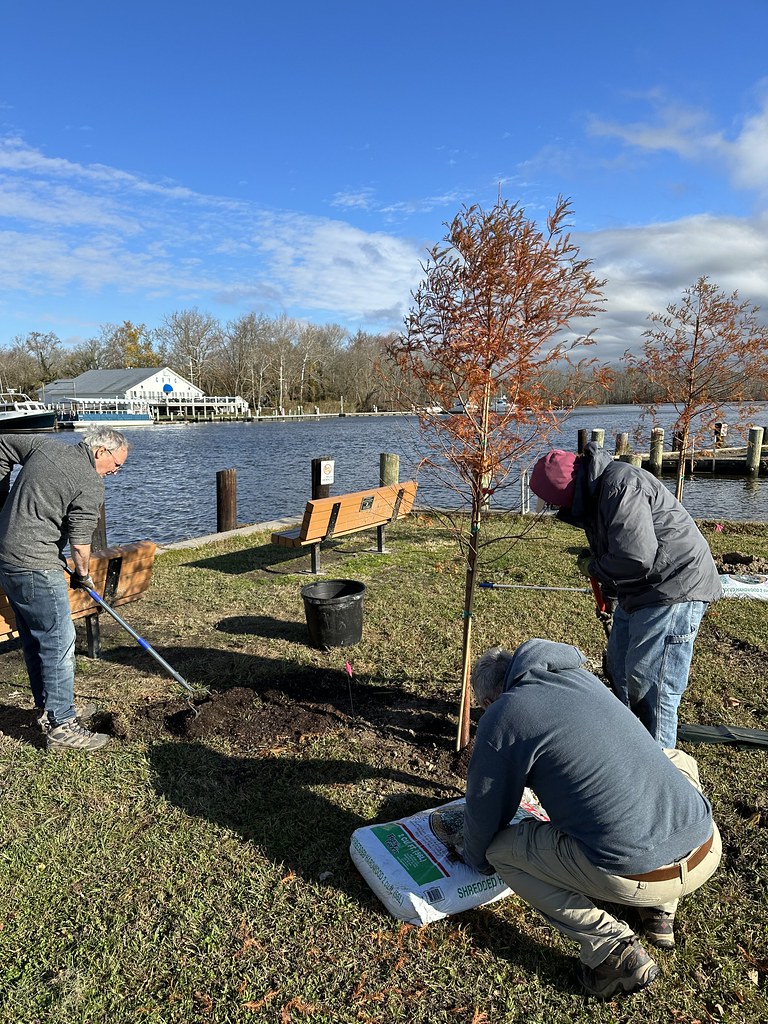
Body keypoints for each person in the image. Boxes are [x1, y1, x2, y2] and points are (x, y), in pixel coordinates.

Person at [463, 639, 721, 999]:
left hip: (638, 872)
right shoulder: (581, 679)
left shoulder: (504, 714)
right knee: (676, 758)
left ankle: (612, 949)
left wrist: (473, 857)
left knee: (501, 852)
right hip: (706, 846)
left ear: (490, 701)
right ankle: (659, 911)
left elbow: (485, 807)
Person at [528, 443, 722, 748]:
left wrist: (594, 566)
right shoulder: (595, 494)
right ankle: (629, 746)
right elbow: (620, 551)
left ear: (566, 492)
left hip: (674, 586)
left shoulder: (620, 486)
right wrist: (611, 591)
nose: (553, 509)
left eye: (553, 503)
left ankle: (657, 768)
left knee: (649, 685)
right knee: (619, 669)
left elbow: (634, 557)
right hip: (641, 589)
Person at [0, 429, 130, 752]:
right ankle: (62, 726)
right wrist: (83, 576)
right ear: (100, 452)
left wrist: (3, 503)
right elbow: (81, 544)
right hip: (35, 564)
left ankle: (51, 709)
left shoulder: (45, 445)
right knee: (60, 638)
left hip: (7, 557)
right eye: (116, 465)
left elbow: (2, 443)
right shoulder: (90, 482)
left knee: (35, 636)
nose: (116, 472)